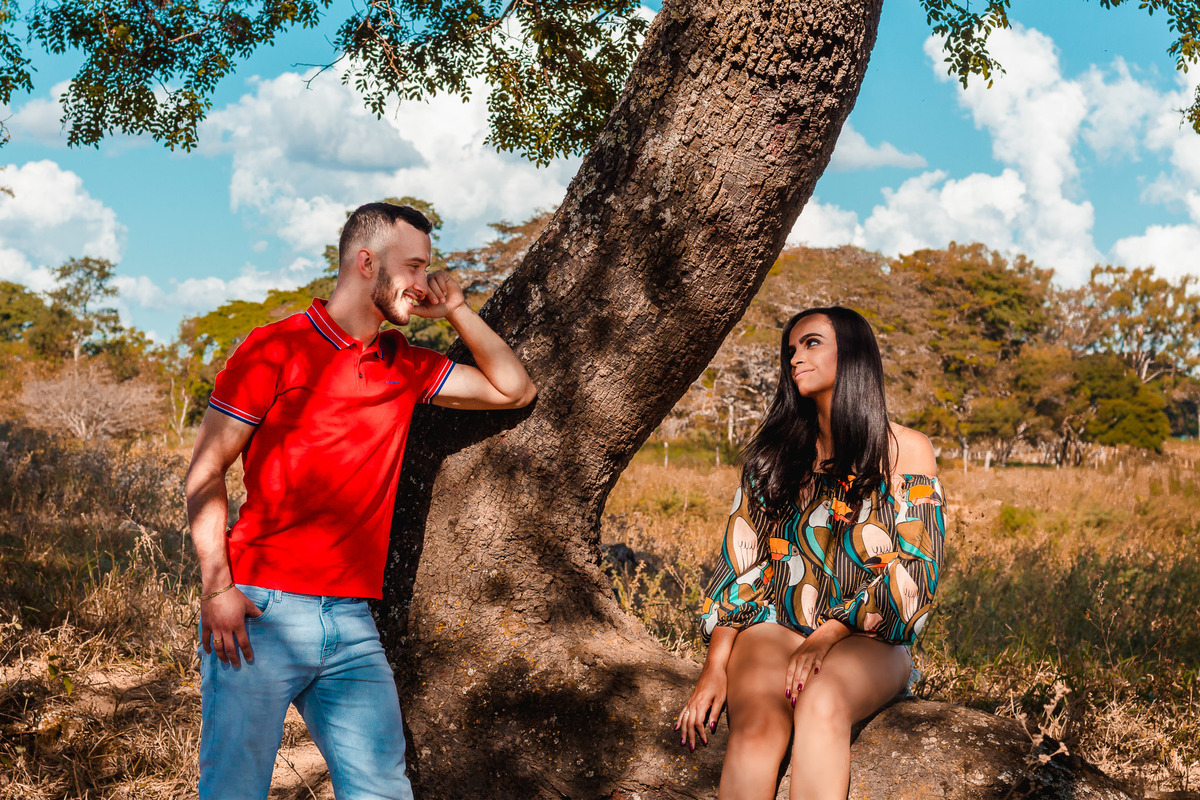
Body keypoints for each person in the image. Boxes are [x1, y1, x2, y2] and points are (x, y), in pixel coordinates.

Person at [184, 202, 536, 800]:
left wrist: (457, 310)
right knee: (233, 789)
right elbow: (205, 471)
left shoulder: (405, 364)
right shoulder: (275, 348)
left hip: (351, 621)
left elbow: (514, 389)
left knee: (382, 790)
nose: (424, 283)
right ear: (366, 262)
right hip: (260, 610)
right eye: (414, 267)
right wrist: (217, 588)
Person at [675, 306, 945, 800]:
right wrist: (714, 667)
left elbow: (916, 567)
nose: (796, 357)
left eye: (812, 343)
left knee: (821, 701)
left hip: (869, 634)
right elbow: (742, 564)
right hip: (776, 623)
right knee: (757, 726)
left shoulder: (906, 450)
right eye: (791, 349)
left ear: (853, 353)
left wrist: (828, 635)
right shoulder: (774, 455)